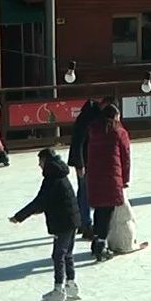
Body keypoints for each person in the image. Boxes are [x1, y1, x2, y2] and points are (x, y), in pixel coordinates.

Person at [10, 148, 81, 301]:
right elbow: (51, 200)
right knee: (67, 254)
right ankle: (71, 285)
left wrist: (19, 216)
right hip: (72, 219)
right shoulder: (60, 174)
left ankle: (58, 290)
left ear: (47, 161)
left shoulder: (51, 178)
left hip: (62, 222)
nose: (39, 165)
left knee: (58, 255)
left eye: (40, 161)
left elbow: (40, 200)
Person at [85, 104, 130, 262]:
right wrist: (125, 179)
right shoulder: (119, 132)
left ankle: (96, 241)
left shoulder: (93, 131)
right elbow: (125, 156)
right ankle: (101, 245)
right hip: (112, 177)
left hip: (95, 176)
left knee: (99, 210)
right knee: (108, 212)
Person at [67, 99, 103, 240]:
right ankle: (85, 224)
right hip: (84, 161)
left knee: (84, 191)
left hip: (86, 161)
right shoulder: (88, 120)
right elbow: (78, 142)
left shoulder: (87, 117)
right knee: (85, 192)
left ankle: (82, 222)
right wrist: (80, 164)